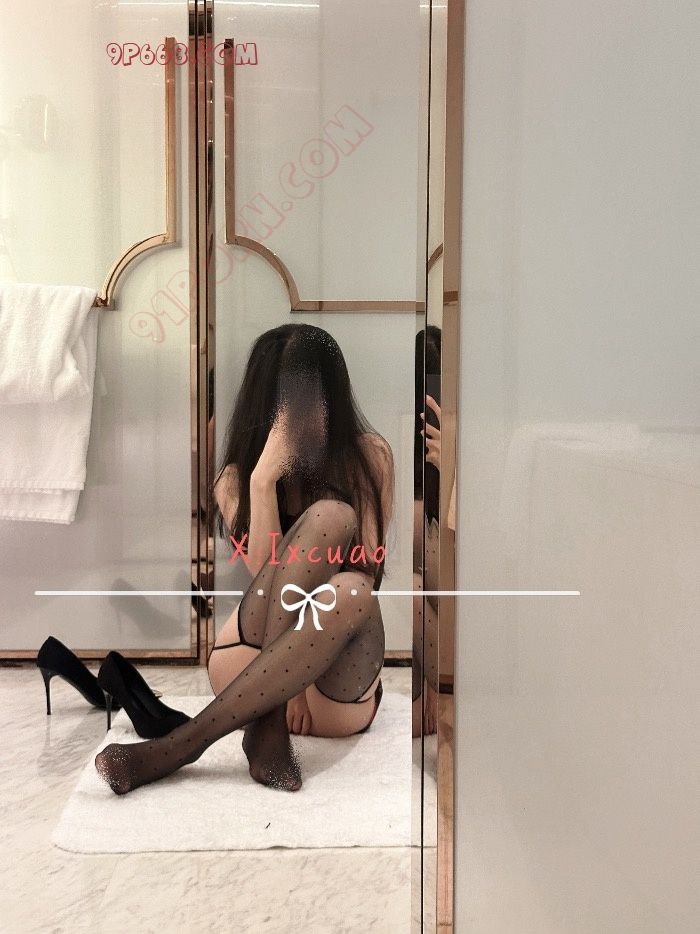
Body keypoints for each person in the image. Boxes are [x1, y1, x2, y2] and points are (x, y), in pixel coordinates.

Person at [95, 324, 394, 794]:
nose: (303, 414)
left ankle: (185, 745)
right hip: (249, 661)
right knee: (332, 519)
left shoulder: (369, 457)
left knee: (351, 581)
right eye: (290, 401)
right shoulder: (236, 479)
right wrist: (264, 480)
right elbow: (265, 575)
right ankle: (265, 722)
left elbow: (367, 574)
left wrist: (295, 684)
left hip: (333, 678)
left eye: (314, 397)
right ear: (266, 404)